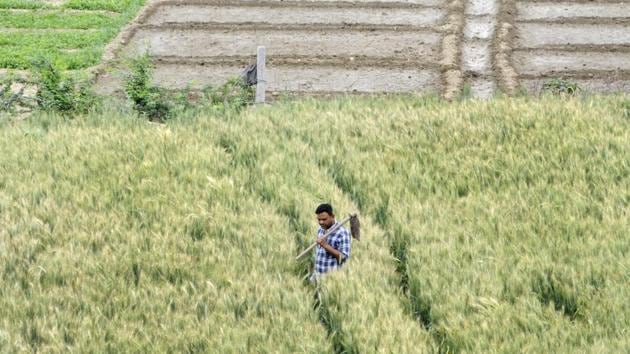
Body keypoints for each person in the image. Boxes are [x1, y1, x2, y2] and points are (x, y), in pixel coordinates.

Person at [311, 203, 351, 282]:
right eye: (319, 220)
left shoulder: (342, 233)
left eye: (324, 219)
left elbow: (343, 258)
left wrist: (325, 245)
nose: (321, 222)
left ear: (332, 216)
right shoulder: (321, 229)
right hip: (317, 275)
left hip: (331, 279)